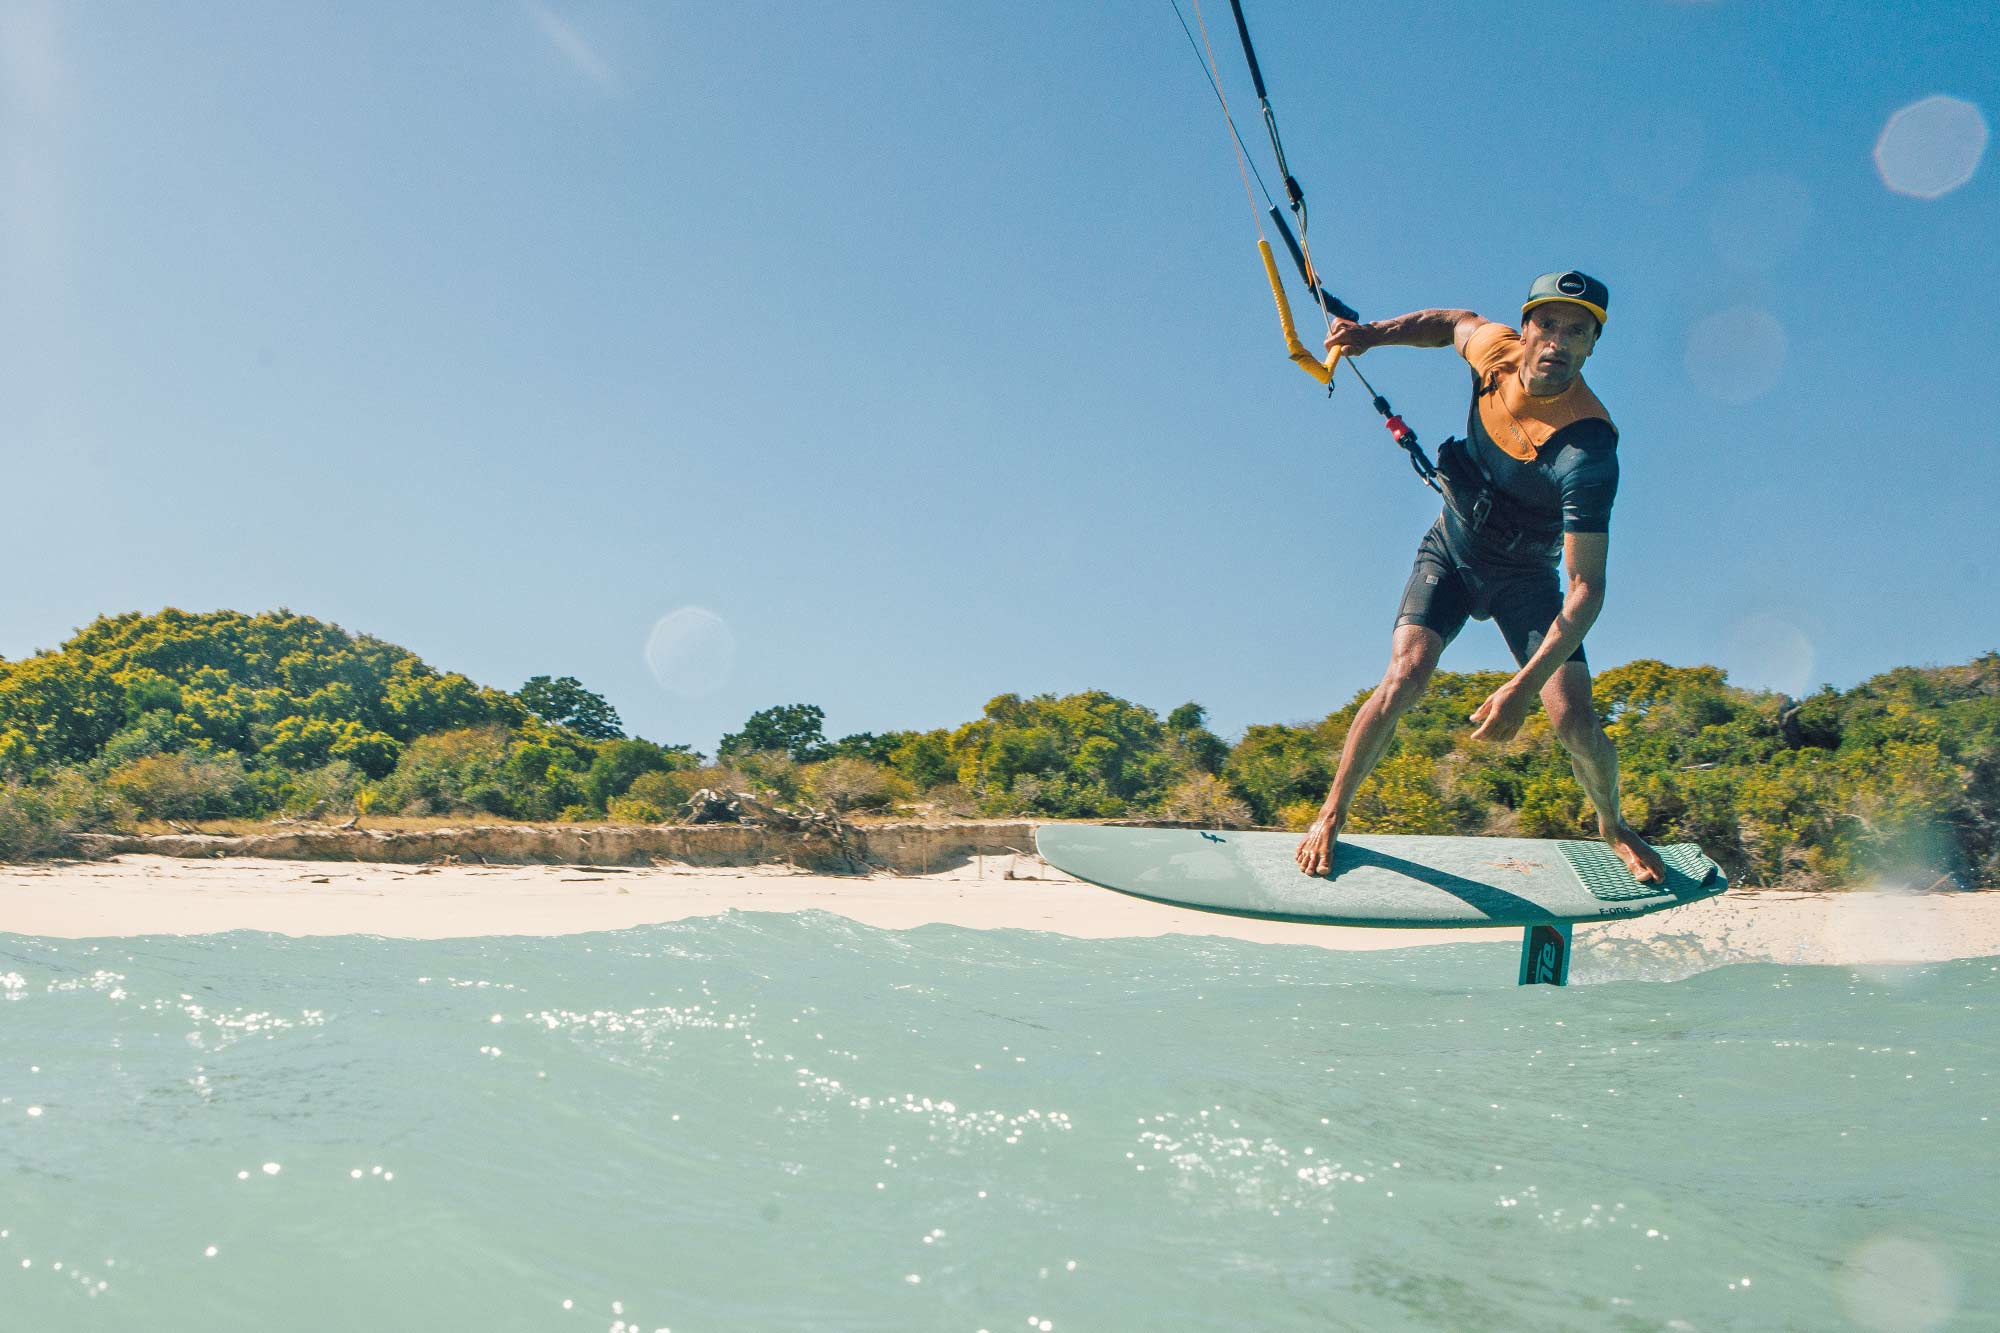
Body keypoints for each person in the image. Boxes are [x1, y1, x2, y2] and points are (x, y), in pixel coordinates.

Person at [1293, 271, 1667, 885]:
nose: (1557, 342)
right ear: (1525, 328)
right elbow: (1450, 323)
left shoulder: (1589, 451)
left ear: (1593, 345)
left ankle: (1611, 823)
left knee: (1574, 720)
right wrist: (1370, 336)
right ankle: (1330, 814)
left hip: (1526, 579)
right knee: (1405, 677)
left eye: (1577, 331)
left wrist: (1522, 687)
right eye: (1546, 324)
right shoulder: (1495, 351)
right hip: (1454, 549)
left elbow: (1586, 590)